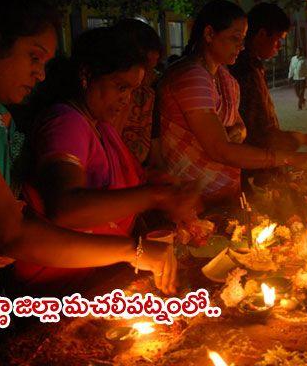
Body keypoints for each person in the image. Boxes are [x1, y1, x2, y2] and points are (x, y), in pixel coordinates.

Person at [0, 0, 176, 334]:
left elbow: (12, 213)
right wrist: (132, 250)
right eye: (34, 58)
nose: (40, 74)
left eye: (45, 64)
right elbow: (13, 229)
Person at [13, 26, 198, 291]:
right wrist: (153, 195)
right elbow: (65, 207)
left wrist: (165, 186)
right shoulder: (66, 122)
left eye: (132, 90)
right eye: (121, 87)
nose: (126, 100)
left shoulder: (99, 125)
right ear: (87, 75)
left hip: (92, 274)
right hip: (58, 286)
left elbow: (121, 181)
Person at [148, 0, 307, 203]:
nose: (241, 46)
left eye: (243, 39)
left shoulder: (224, 76)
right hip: (192, 198)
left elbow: (240, 127)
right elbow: (220, 149)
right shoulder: (192, 78)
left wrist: (235, 133)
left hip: (223, 192)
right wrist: (290, 157)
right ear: (210, 34)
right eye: (235, 38)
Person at [231, 2, 307, 152]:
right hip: (254, 160)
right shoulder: (245, 70)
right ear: (262, 34)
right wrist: (303, 139)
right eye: (278, 40)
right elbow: (259, 133)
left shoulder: (253, 66)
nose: (279, 46)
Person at [111, 18, 163, 164]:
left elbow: (155, 144)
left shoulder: (148, 95)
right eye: (146, 67)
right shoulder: (105, 103)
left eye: (153, 68)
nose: (149, 75)